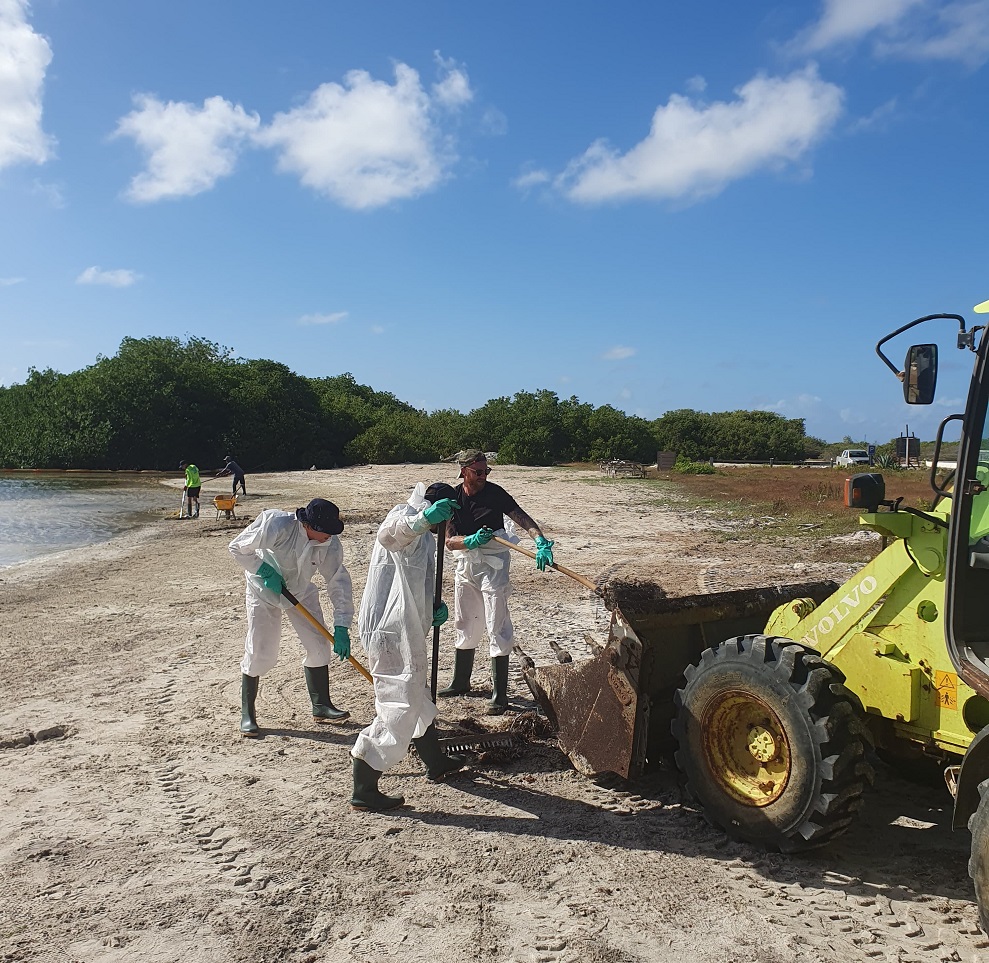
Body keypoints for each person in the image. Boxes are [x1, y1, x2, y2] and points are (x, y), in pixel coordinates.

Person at [350, 482, 467, 811]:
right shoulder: (407, 515)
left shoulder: (426, 534)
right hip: (390, 633)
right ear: (437, 505)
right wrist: (424, 518)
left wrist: (432, 609)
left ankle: (436, 762)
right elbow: (389, 535)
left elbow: (413, 580)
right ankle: (364, 785)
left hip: (405, 628)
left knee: (418, 699)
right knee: (398, 706)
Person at [438, 450, 556, 715]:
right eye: (478, 472)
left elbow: (521, 517)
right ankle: (460, 681)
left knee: (496, 622)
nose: (483, 476)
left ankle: (499, 694)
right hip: (466, 563)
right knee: (465, 620)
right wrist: (468, 541)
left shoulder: (495, 493)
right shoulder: (452, 498)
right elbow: (448, 540)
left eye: (486, 471)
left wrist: (539, 540)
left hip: (494, 564)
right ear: (464, 471)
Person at [228, 497, 354, 738]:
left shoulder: (329, 544)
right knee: (261, 651)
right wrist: (263, 569)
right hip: (263, 589)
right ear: (310, 527)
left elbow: (338, 581)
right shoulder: (276, 524)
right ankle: (248, 714)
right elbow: (237, 546)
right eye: (327, 532)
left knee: (319, 646)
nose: (331, 536)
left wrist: (341, 625)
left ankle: (321, 706)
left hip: (299, 590)